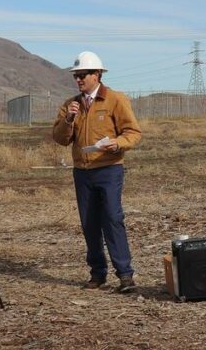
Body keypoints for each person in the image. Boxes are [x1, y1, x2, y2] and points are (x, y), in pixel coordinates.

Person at [52, 51, 143, 292]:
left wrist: (118, 143)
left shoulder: (115, 100)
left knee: (112, 218)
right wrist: (69, 119)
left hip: (109, 169)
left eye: (83, 75)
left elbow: (133, 132)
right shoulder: (70, 105)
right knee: (89, 223)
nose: (79, 79)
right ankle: (97, 274)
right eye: (76, 76)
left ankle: (125, 275)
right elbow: (60, 139)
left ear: (98, 74)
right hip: (82, 172)